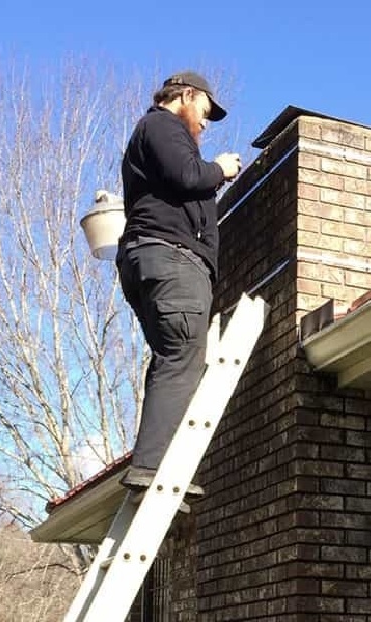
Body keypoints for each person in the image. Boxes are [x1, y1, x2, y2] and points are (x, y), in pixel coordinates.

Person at [115, 71, 241, 496]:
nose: (204, 123)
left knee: (172, 358)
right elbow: (188, 176)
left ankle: (150, 465)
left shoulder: (155, 135)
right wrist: (220, 169)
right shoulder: (161, 125)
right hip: (170, 258)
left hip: (152, 258)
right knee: (183, 354)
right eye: (204, 112)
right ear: (186, 96)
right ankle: (153, 469)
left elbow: (184, 186)